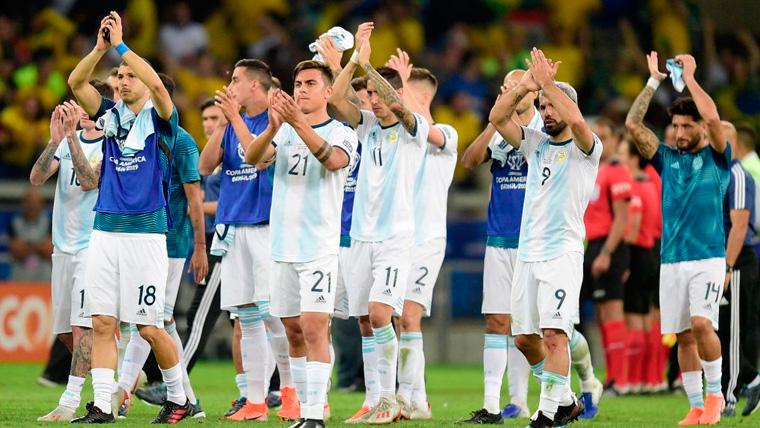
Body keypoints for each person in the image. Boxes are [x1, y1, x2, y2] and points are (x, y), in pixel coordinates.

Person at [66, 11, 189, 423]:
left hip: (146, 235)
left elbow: (156, 83)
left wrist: (121, 45)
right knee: (101, 321)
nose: (121, 80)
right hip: (105, 231)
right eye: (118, 76)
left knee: (150, 328)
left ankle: (179, 398)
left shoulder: (164, 121)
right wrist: (100, 50)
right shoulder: (109, 115)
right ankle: (102, 405)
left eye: (127, 75)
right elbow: (76, 83)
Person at [488, 48, 601, 428]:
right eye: (543, 106)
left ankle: (548, 413)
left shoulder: (587, 149)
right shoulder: (534, 144)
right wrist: (526, 85)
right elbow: (497, 117)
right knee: (524, 340)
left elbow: (578, 123)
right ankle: (567, 399)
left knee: (554, 334)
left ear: (569, 108)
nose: (546, 112)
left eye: (552, 106)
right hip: (528, 255)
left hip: (561, 255)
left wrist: (550, 86)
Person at [246, 59, 357, 428]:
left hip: (319, 247)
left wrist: (297, 123)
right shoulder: (284, 130)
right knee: (292, 329)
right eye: (298, 83)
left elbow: (333, 161)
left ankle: (315, 413)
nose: (302, 89)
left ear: (328, 92)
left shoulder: (343, 132)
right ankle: (299, 408)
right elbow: (253, 159)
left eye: (310, 83)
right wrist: (273, 128)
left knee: (313, 327)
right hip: (283, 245)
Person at [328, 23, 430, 424]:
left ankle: (393, 396)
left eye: (377, 94)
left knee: (379, 313)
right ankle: (377, 400)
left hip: (394, 237)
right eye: (369, 95)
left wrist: (370, 70)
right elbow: (337, 97)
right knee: (364, 322)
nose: (373, 100)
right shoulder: (366, 126)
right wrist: (356, 60)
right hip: (360, 237)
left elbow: (400, 106)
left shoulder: (414, 130)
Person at [625, 51, 730, 426]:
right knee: (683, 335)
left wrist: (692, 78)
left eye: (689, 126)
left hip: (707, 258)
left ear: (701, 127)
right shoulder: (666, 159)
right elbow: (634, 125)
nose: (681, 133)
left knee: (703, 325)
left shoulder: (719, 158)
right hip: (672, 260)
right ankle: (696, 405)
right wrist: (654, 81)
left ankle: (716, 397)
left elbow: (715, 117)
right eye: (677, 126)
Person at [198, 58, 295, 421]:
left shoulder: (279, 120)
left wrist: (235, 120)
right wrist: (223, 122)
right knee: (247, 316)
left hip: (268, 225)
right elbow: (205, 167)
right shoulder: (229, 123)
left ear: (255, 85)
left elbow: (260, 158)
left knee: (274, 316)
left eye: (236, 79)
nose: (230, 85)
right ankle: (255, 402)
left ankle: (289, 392)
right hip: (234, 226)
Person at [113, 73, 208, 419]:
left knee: (152, 318)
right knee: (153, 320)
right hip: (141, 239)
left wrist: (200, 245)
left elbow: (195, 198)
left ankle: (125, 391)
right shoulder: (136, 138)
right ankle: (187, 399)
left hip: (172, 242)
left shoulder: (181, 141)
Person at [31, 82, 110, 421]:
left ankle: (70, 402)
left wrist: (72, 138)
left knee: (83, 329)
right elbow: (36, 177)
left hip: (90, 248)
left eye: (84, 106)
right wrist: (53, 140)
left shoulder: (110, 146)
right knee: (65, 332)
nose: (78, 112)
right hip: (61, 248)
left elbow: (90, 180)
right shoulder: (64, 143)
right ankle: (115, 380)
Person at [385, 52, 457, 421]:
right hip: (397, 237)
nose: (395, 98)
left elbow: (423, 127)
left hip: (427, 239)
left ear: (422, 98)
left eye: (402, 91)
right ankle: (419, 399)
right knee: (395, 319)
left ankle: (406, 398)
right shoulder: (397, 138)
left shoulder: (445, 134)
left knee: (410, 317)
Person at [582, 117, 632, 395]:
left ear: (615, 140)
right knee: (602, 314)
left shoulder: (617, 170)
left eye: (604, 135)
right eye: (596, 135)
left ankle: (620, 380)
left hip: (609, 247)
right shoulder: (594, 169)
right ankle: (612, 377)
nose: (600, 140)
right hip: (593, 245)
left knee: (613, 313)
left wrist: (607, 253)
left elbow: (622, 218)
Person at [719, 121, 760, 417]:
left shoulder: (739, 174)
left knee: (733, 331)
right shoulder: (715, 173)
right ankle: (752, 378)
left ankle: (729, 397)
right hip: (715, 257)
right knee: (715, 328)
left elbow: (741, 225)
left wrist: (728, 266)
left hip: (737, 258)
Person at [618, 137, 661, 395]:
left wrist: (622, 258)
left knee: (633, 320)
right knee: (648, 321)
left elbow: (632, 229)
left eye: (623, 153)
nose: (620, 158)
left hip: (635, 255)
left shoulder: (634, 187)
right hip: (651, 254)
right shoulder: (651, 185)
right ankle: (652, 378)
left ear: (634, 158)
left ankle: (632, 380)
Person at [7, 186, 52, 281]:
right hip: (19, 278)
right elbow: (16, 252)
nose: (33, 206)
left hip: (44, 279)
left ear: (41, 204)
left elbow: (48, 251)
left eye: (36, 203)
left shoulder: (49, 223)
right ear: (24, 203)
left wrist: (27, 246)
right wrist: (39, 246)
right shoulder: (14, 222)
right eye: (30, 203)